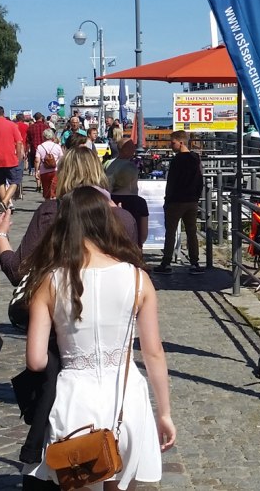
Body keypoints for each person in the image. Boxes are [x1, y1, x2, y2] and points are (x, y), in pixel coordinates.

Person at [21, 187, 175, 488]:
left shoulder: (50, 280)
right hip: (126, 398)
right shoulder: (137, 278)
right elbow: (153, 352)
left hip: (74, 399)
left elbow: (36, 361)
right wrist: (165, 413)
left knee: (76, 480)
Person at [0, 145, 140, 286]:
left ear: (63, 174)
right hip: (109, 298)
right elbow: (134, 274)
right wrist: (122, 217)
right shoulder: (122, 217)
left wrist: (1, 234)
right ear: (99, 172)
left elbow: (17, 271)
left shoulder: (51, 211)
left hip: (60, 296)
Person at [157, 130, 203, 275]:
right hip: (191, 200)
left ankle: (166, 262)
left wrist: (167, 199)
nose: (171, 146)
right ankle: (194, 262)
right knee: (191, 232)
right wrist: (196, 197)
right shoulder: (196, 158)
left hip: (176, 201)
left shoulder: (176, 160)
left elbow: (171, 182)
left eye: (173, 143)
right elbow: (200, 179)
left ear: (181, 142)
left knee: (170, 232)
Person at [34, 128, 62, 200]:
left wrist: (36, 171)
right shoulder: (57, 146)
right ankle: (54, 203)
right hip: (55, 170)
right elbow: (62, 158)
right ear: (52, 136)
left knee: (46, 190)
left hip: (44, 171)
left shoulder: (40, 146)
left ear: (43, 136)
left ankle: (47, 203)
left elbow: (37, 160)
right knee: (55, 190)